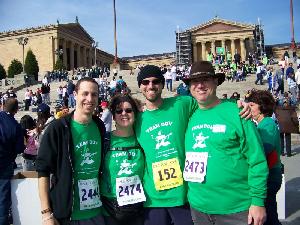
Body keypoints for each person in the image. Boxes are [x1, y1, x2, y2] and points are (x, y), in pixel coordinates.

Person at [134, 65, 250, 225]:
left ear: (162, 84)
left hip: (184, 195)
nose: (150, 86)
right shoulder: (136, 119)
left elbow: (210, 104)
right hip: (153, 198)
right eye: (145, 82)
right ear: (139, 86)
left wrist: (235, 103)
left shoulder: (182, 103)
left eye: (155, 81)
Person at [182, 61, 268, 225]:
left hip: (236, 210)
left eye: (205, 79)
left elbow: (257, 160)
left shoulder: (238, 113)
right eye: (194, 81)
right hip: (198, 208)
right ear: (189, 87)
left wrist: (258, 201)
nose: (200, 85)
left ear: (216, 81)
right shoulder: (190, 115)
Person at [36, 77, 106, 225]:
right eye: (85, 93)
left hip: (96, 210)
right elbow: (43, 171)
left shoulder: (99, 126)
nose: (89, 99)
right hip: (68, 214)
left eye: (94, 94)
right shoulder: (58, 128)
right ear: (75, 95)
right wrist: (46, 214)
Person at [100, 94, 145, 225]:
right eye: (119, 111)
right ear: (113, 116)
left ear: (135, 114)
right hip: (109, 209)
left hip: (138, 208)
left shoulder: (143, 139)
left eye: (129, 110)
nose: (124, 113)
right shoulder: (104, 140)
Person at [247, 90, 282, 225]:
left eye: (251, 105)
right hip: (271, 173)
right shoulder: (264, 123)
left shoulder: (267, 124)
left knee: (268, 215)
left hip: (270, 175)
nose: (249, 108)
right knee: (270, 213)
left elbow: (263, 149)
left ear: (261, 106)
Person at [0, 98, 25, 225]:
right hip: (4, 165)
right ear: (16, 110)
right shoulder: (15, 126)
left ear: (3, 106)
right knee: (3, 200)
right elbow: (20, 148)